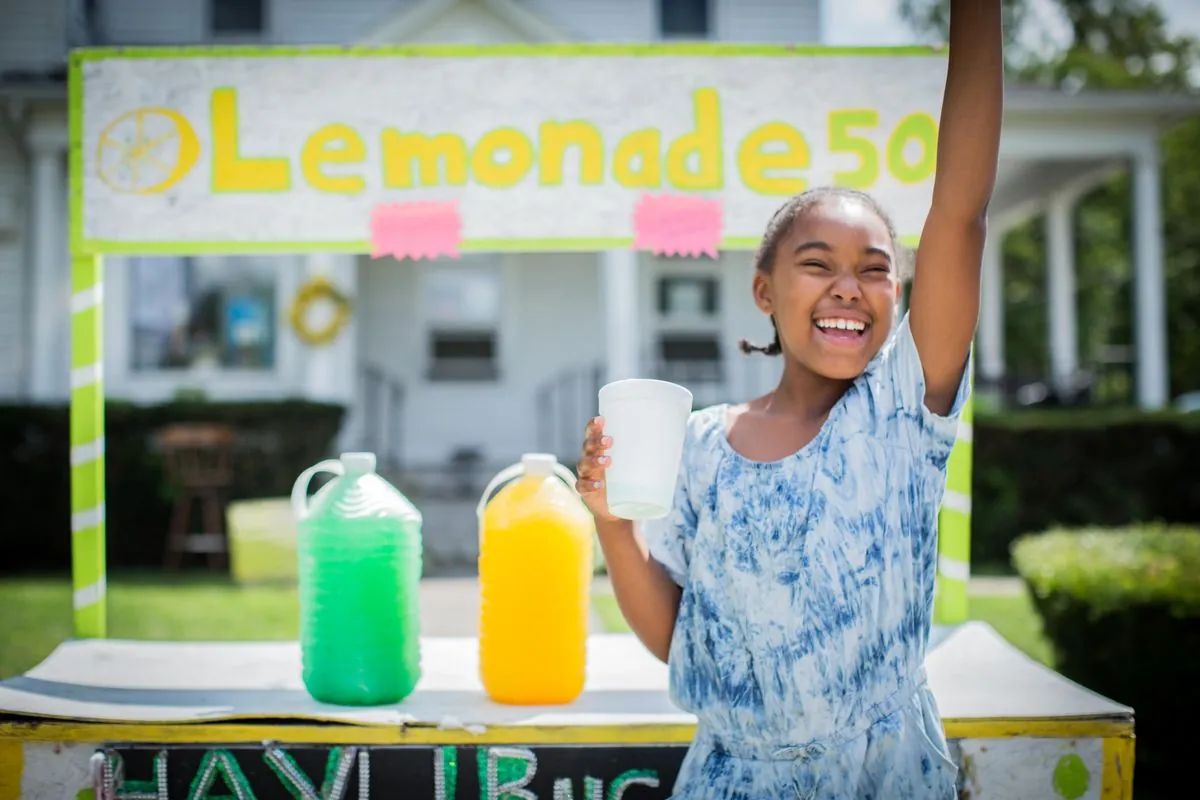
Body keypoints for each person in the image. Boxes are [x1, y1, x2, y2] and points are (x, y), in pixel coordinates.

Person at [575, 1, 1003, 796]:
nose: (850, 286)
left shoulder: (902, 412)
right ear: (765, 291)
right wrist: (612, 522)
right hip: (730, 780)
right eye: (818, 263)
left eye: (875, 267)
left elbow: (962, 213)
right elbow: (679, 643)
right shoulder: (701, 443)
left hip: (885, 779)